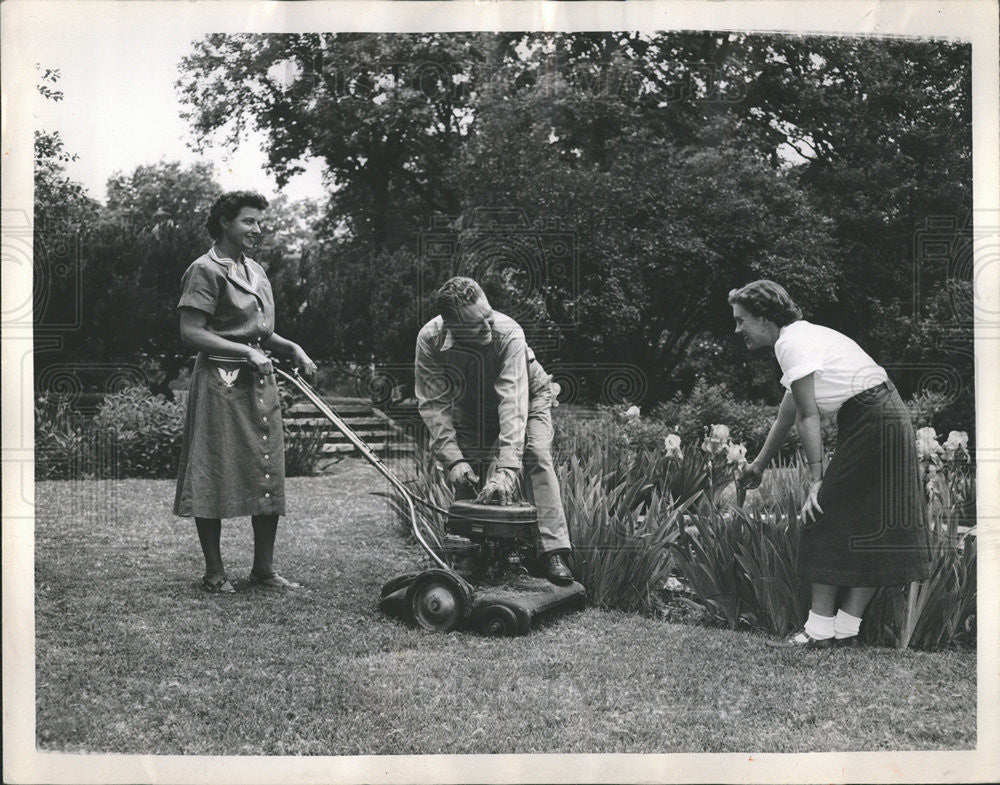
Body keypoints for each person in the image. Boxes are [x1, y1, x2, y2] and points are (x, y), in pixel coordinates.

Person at [731, 280, 931, 648]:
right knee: (871, 524)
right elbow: (786, 415)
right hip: (882, 414)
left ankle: (820, 631)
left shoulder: (791, 343)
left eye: (742, 320)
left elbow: (809, 417)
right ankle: (842, 631)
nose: (738, 328)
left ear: (763, 318)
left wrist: (816, 481)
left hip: (873, 418)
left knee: (821, 514)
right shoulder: (800, 338)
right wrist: (759, 465)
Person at [174, 191, 317, 593]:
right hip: (220, 385)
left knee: (266, 469)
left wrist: (292, 347)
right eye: (249, 221)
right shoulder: (204, 270)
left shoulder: (255, 271)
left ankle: (264, 570)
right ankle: (214, 573)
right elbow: (191, 332)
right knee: (212, 469)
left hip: (259, 384)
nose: (258, 229)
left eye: (260, 222)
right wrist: (245, 353)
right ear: (225, 222)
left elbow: (261, 332)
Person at [414, 277, 575, 585]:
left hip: (530, 396)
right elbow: (434, 403)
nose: (489, 325)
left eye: (488, 314)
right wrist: (454, 459)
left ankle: (553, 553)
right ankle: (468, 554)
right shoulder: (429, 340)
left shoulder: (509, 332)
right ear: (452, 327)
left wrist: (507, 469)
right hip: (471, 406)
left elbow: (513, 402)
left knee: (536, 455)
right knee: (467, 470)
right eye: (477, 325)